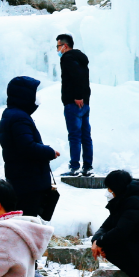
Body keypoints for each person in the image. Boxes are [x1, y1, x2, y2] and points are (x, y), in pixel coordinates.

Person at [0, 76, 59, 277]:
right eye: (33, 94)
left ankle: (21, 269)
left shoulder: (11, 115)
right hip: (28, 180)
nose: (36, 99)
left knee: (21, 226)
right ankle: (29, 273)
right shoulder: (20, 118)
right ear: (24, 96)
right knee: (28, 229)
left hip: (20, 178)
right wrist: (50, 151)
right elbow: (27, 147)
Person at [56, 34, 92, 178]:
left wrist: (77, 96)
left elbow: (76, 76)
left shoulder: (67, 58)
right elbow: (83, 77)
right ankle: (87, 166)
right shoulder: (81, 58)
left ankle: (75, 167)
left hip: (73, 102)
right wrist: (84, 97)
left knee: (75, 136)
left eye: (58, 46)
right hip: (85, 103)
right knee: (85, 136)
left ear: (65, 46)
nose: (57, 50)